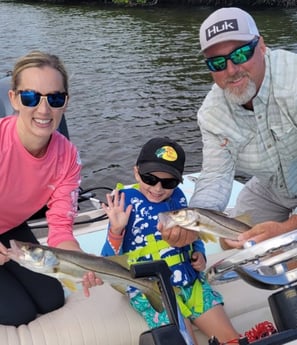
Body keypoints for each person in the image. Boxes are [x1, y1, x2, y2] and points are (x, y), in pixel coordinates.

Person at [160, 7, 297, 250]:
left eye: (242, 53)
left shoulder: (293, 79)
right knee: (230, 244)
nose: (232, 69)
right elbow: (215, 175)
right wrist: (194, 225)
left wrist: (287, 228)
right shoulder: (211, 114)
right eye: (217, 62)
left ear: (262, 46)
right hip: (272, 185)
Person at [101, 137, 240, 345]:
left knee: (233, 340)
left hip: (191, 284)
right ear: (136, 172)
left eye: (169, 183)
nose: (158, 188)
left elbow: (195, 235)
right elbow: (108, 260)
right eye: (150, 179)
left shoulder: (179, 199)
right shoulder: (123, 202)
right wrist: (116, 229)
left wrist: (199, 254)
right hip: (152, 289)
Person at [0, 50, 101, 326]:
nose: (44, 110)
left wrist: (80, 260)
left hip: (10, 226)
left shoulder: (67, 157)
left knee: (51, 298)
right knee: (16, 312)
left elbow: (60, 227)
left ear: (65, 103)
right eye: (31, 97)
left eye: (54, 99)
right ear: (14, 99)